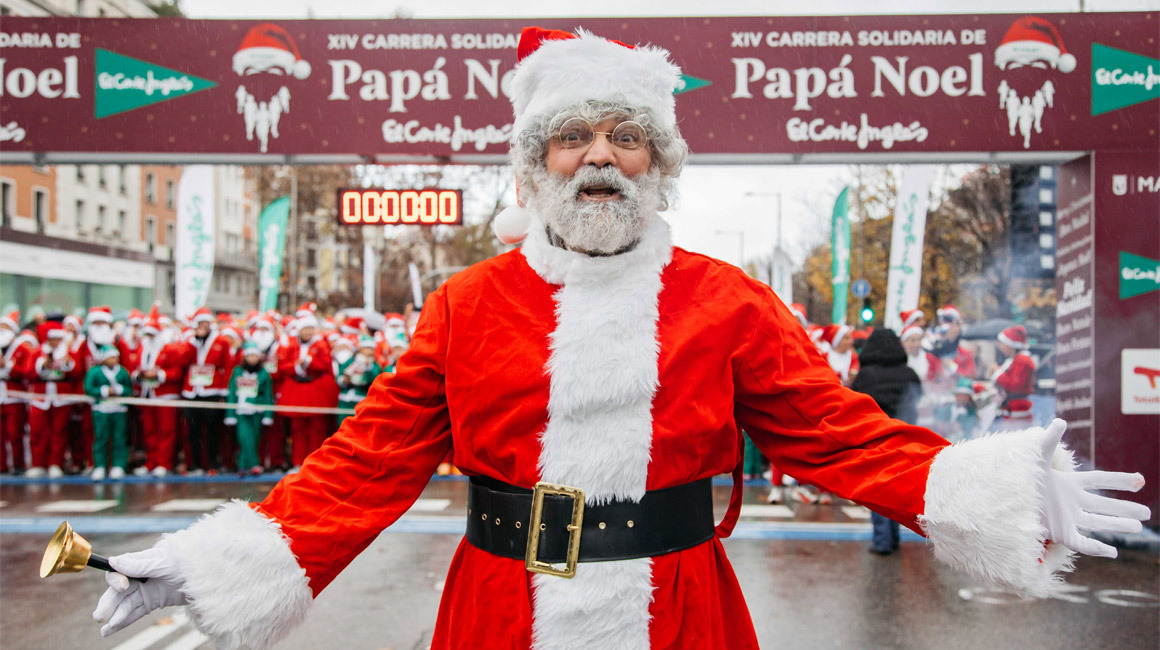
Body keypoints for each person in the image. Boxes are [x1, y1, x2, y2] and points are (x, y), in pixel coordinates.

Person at [92, 28, 1150, 650]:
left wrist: (992, 491)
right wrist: (215, 561)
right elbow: (366, 463)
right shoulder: (465, 304)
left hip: (680, 610)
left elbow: (837, 433)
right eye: (572, 135)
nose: (599, 156)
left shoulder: (726, 300)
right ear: (535, 165)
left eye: (625, 135)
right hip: (499, 610)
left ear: (658, 162)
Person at [849, 329, 923, 555]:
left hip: (876, 439)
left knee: (878, 489)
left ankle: (882, 540)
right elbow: (918, 399)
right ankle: (894, 537)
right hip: (904, 439)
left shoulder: (866, 376)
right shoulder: (909, 374)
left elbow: (854, 403)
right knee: (898, 489)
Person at [276, 312, 337, 471]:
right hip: (296, 389)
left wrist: (310, 362)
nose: (308, 332)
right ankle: (298, 461)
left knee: (317, 428)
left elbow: (325, 365)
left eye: (310, 328)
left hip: (315, 390)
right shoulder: (292, 346)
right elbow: (283, 366)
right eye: (305, 329)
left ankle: (315, 462)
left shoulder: (321, 345)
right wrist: (296, 366)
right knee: (297, 429)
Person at [132, 308, 186, 477]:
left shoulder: (169, 349)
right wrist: (139, 375)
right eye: (147, 334)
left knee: (166, 431)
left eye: (152, 334)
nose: (149, 337)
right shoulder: (142, 349)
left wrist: (159, 374)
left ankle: (164, 462)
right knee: (149, 431)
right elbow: (135, 368)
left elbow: (178, 372)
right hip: (147, 393)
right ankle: (151, 462)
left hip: (165, 395)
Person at [179, 307, 232, 475]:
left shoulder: (221, 341)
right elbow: (183, 360)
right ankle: (195, 464)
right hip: (192, 391)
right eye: (200, 323)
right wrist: (195, 342)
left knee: (212, 430)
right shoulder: (190, 342)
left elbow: (227, 366)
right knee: (192, 430)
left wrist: (224, 393)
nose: (203, 326)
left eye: (205, 322)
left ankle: (212, 463)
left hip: (212, 390)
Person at [26, 324, 78, 478]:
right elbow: (28, 372)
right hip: (40, 397)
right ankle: (38, 464)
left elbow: (77, 372)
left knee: (59, 432)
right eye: (52, 339)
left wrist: (67, 363)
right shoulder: (38, 352)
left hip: (61, 397)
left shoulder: (68, 352)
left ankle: (56, 464)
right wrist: (43, 365)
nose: (55, 342)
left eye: (58, 339)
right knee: (37, 432)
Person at [224, 342, 275, 477]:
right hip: (241, 410)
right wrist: (230, 413)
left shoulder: (264, 373)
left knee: (254, 438)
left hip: (257, 410)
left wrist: (268, 414)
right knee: (244, 437)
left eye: (254, 356)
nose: (252, 359)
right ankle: (254, 464)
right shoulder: (237, 372)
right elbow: (232, 392)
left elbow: (268, 394)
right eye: (249, 356)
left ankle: (243, 465)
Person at [83, 345, 133, 481]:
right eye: (110, 357)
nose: (113, 360)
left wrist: (119, 390)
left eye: (115, 357)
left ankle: (119, 465)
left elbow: (129, 388)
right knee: (101, 437)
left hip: (119, 409)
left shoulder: (122, 372)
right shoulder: (95, 372)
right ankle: (99, 465)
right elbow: (88, 388)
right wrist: (104, 391)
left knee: (119, 437)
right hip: (101, 409)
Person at [0, 310, 38, 474]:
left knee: (15, 432)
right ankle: (2, 466)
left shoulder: (22, 348)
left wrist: (7, 366)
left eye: (6, 327)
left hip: (15, 395)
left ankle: (18, 464)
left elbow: (27, 372)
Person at [991, 325, 1037, 431]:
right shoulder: (1015, 360)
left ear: (1010, 345)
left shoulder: (1023, 361)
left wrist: (997, 373)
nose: (1001, 347)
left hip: (1018, 411)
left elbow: (1015, 385)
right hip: (1012, 409)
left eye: (1003, 343)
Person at [336, 336, 381, 428]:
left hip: (362, 399)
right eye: (366, 348)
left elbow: (375, 381)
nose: (368, 351)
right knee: (343, 426)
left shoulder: (374, 366)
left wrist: (368, 368)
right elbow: (339, 376)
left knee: (360, 427)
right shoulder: (350, 361)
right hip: (346, 399)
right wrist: (344, 380)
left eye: (370, 348)